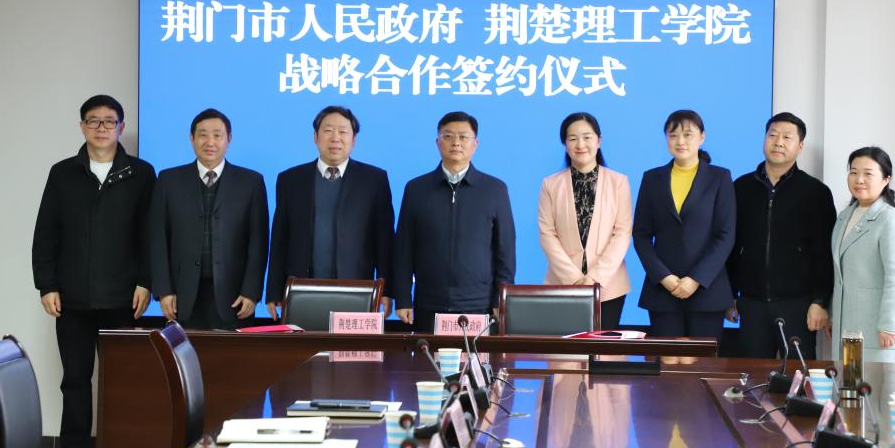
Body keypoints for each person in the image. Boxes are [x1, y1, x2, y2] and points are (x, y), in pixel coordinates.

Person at [32, 94, 155, 448]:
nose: (101, 128)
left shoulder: (141, 173)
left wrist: (146, 282)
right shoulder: (63, 173)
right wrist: (47, 285)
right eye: (93, 121)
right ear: (82, 126)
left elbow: (150, 235)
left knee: (123, 380)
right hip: (73, 298)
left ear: (121, 127)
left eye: (109, 121)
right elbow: (46, 233)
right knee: (75, 379)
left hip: (124, 298)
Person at [265, 105, 394, 319]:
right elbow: (280, 239)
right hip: (301, 289)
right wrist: (274, 290)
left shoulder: (374, 180)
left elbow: (384, 240)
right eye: (328, 131)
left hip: (357, 289)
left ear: (354, 140)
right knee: (304, 340)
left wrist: (386, 290)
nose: (335, 138)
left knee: (351, 341)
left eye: (343, 132)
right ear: (315, 137)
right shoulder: (290, 179)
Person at [392, 111, 515, 333]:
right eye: (448, 136)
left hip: (479, 303)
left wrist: (501, 298)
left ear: (475, 143)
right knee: (428, 357)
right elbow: (403, 248)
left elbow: (505, 251)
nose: (456, 142)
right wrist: (402, 297)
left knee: (476, 357)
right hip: (428, 302)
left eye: (463, 137)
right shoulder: (416, 189)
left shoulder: (495, 189)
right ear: (437, 142)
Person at [725, 112, 836, 359]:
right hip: (751, 303)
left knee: (798, 374)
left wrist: (820, 301)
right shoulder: (741, 187)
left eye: (787, 137)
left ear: (800, 146)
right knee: (751, 374)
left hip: (798, 304)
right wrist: (729, 295)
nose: (778, 142)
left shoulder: (816, 192)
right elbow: (731, 245)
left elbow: (824, 252)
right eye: (773, 135)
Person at [149, 108, 268, 329]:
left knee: (232, 352)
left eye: (217, 135)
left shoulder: (251, 182)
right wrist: (164, 290)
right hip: (182, 295)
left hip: (234, 296)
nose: (210, 142)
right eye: (203, 135)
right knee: (186, 352)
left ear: (229, 139)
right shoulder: (168, 180)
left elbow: (258, 242)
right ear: (191, 139)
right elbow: (158, 238)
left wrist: (251, 292)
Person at [632, 110, 735, 340]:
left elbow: (725, 235)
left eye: (688, 134)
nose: (680, 141)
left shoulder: (719, 177)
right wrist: (664, 277)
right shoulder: (652, 178)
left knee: (703, 360)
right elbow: (641, 234)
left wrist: (695, 279)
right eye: (673, 135)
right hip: (663, 290)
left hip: (707, 289)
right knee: (667, 360)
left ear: (702, 137)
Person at [538, 112, 633, 330]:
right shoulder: (550, 184)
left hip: (609, 286)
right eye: (573, 138)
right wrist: (574, 279)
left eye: (587, 137)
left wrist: (594, 279)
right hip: (562, 284)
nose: (580, 144)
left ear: (598, 140)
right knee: (565, 349)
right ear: (565, 143)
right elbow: (547, 234)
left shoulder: (618, 182)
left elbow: (622, 233)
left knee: (602, 348)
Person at [828, 146, 895, 363]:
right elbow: (839, 274)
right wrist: (833, 314)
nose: (859, 179)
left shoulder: (890, 219)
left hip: (876, 328)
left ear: (886, 179)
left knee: (875, 383)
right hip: (846, 324)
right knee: (846, 382)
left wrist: (889, 325)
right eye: (853, 172)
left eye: (868, 174)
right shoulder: (844, 216)